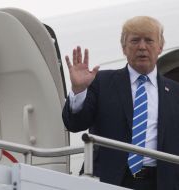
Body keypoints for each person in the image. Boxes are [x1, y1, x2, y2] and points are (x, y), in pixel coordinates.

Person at [62, 16, 179, 190]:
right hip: (111, 179)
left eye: (148, 40)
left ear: (160, 47)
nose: (142, 47)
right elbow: (75, 124)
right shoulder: (101, 82)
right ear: (124, 48)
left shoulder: (175, 92)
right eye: (134, 40)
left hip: (160, 182)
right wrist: (79, 91)